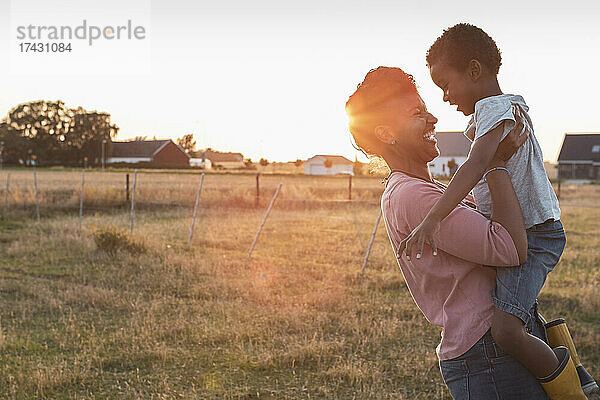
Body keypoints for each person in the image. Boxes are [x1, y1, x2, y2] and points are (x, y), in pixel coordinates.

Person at [345, 66, 580, 399]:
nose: (433, 119)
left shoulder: (433, 188)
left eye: (426, 109)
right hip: (487, 356)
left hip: (493, 349)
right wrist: (495, 162)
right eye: (416, 113)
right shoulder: (412, 195)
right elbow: (511, 247)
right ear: (386, 133)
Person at [396, 23, 597, 398]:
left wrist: (432, 217)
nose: (445, 98)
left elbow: (477, 167)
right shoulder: (492, 114)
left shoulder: (495, 109)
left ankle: (576, 389)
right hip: (530, 228)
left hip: (536, 235)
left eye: (446, 85)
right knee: (517, 316)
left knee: (506, 331)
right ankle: (570, 370)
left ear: (474, 70)